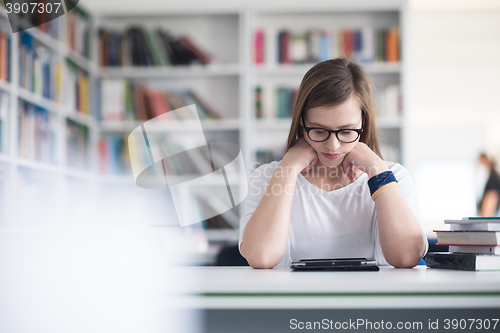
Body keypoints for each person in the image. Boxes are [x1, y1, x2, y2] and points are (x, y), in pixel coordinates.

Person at [239, 57, 428, 269]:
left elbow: (407, 257)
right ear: (302, 123)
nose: (333, 145)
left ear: (364, 123)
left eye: (346, 131)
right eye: (319, 130)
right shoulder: (268, 177)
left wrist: (377, 170)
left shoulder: (393, 176)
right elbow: (261, 257)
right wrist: (288, 168)